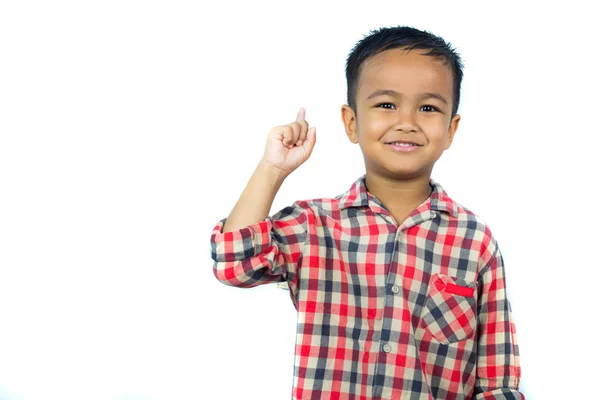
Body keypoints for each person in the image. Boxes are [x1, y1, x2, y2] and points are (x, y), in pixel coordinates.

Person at [210, 25, 524, 400]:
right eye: (386, 104)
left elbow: (497, 381)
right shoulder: (314, 227)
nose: (406, 121)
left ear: (451, 129)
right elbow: (234, 263)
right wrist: (272, 168)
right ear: (351, 122)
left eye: (428, 107)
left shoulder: (474, 242)